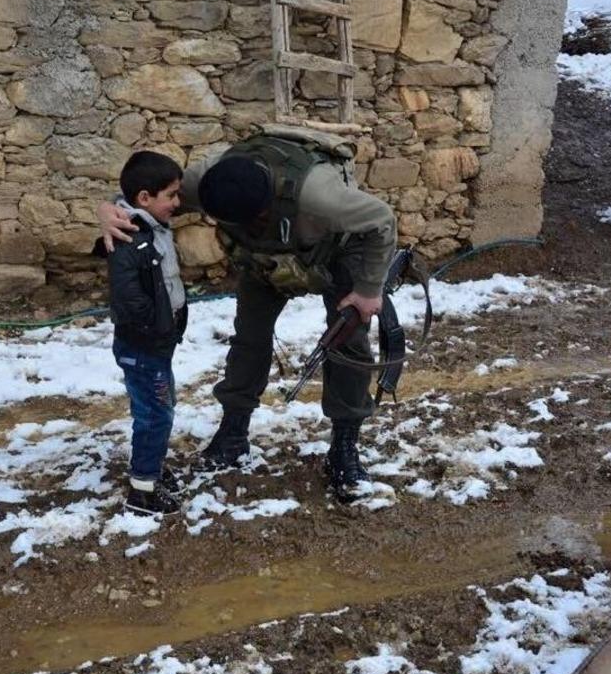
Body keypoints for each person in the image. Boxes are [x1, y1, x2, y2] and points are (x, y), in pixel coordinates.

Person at [98, 125, 397, 502]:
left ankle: (344, 445)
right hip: (264, 257)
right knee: (249, 338)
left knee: (347, 341)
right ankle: (233, 433)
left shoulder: (321, 198)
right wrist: (106, 211)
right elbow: (140, 196)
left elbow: (382, 220)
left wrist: (368, 290)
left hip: (337, 250)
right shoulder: (209, 179)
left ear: (265, 210)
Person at [97, 151, 189, 516]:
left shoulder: (153, 227)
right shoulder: (128, 236)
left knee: (158, 406)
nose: (178, 203)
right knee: (155, 414)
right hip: (145, 343)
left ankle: (150, 468)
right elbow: (129, 298)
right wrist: (155, 327)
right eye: (171, 195)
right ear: (144, 198)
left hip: (158, 342)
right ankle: (142, 492)